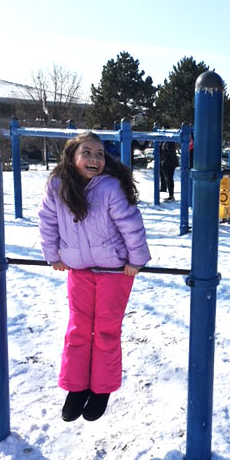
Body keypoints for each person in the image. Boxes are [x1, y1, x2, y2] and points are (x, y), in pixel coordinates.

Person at [38, 132, 151, 421]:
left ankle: (101, 388)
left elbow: (130, 224)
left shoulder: (110, 188)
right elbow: (48, 221)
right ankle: (76, 387)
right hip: (79, 269)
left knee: (105, 330)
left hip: (115, 270)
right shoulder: (58, 187)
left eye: (99, 154)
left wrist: (136, 260)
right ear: (71, 157)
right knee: (78, 329)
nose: (94, 159)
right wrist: (53, 254)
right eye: (87, 152)